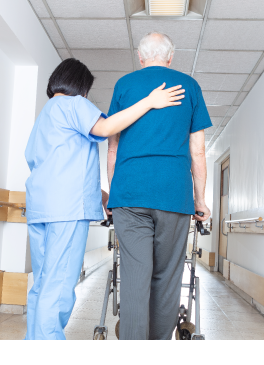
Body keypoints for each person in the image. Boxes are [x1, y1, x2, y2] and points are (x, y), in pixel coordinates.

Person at [24, 58, 185, 340]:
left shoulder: (46, 115)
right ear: (80, 86)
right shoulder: (73, 104)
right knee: (59, 284)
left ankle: (33, 344)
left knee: (42, 284)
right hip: (67, 211)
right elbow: (107, 127)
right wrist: (149, 102)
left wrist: (101, 195)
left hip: (41, 208)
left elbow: (55, 166)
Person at [106, 32, 212, 340]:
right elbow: (198, 151)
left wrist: (115, 193)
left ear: (140, 58)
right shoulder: (189, 87)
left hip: (130, 193)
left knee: (135, 277)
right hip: (173, 195)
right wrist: (200, 200)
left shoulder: (124, 85)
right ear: (171, 56)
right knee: (167, 279)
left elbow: (112, 147)